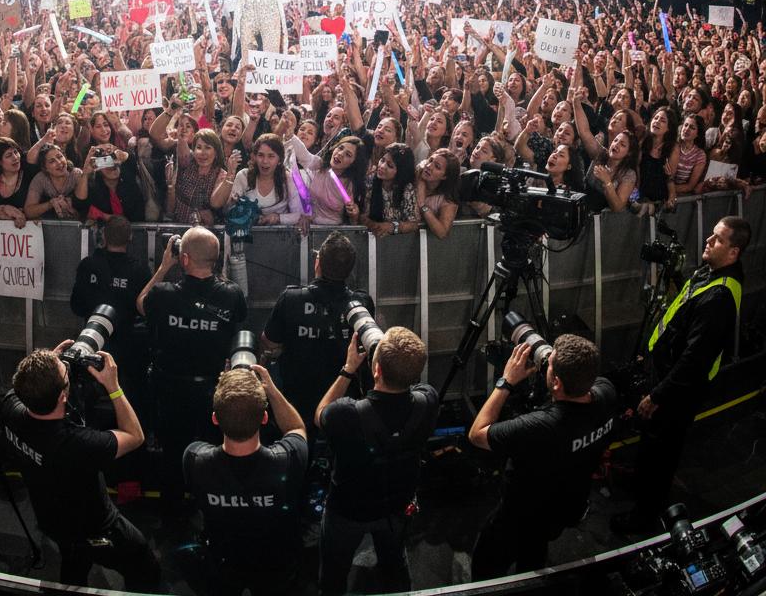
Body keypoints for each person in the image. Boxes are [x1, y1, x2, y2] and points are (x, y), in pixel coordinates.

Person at [612, 216, 747, 536]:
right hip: (666, 375)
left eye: (718, 239)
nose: (708, 241)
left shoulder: (720, 297)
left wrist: (656, 396)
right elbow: (682, 318)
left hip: (678, 392)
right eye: (711, 235)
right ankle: (639, 485)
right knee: (651, 444)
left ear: (733, 252)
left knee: (661, 454)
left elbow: (694, 360)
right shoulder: (710, 273)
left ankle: (643, 517)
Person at [0, 346, 160, 590]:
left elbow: (26, 385)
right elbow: (134, 436)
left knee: (73, 563)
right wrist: (113, 387)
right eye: (65, 373)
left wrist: (50, 365)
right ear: (62, 396)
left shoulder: (11, 409)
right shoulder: (77, 444)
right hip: (96, 528)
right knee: (143, 562)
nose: (67, 369)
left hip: (51, 519)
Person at [468, 334, 616, 578]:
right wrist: (557, 363)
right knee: (534, 554)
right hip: (564, 508)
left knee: (487, 562)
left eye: (550, 365)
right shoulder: (606, 394)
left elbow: (477, 434)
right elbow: (585, 377)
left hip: (519, 515)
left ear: (556, 382)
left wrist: (506, 381)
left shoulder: (540, 427)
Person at [315, 326, 439, 596]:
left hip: (347, 511)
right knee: (394, 564)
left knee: (334, 573)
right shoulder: (428, 401)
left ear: (376, 369)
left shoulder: (345, 414)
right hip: (396, 506)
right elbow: (413, 385)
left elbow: (320, 414)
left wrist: (348, 369)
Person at [137, 226, 247, 505]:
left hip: (170, 390)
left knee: (172, 455)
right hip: (211, 390)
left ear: (183, 259)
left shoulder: (163, 294)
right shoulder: (232, 294)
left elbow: (140, 304)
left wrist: (164, 267)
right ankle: (210, 506)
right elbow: (237, 318)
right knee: (213, 452)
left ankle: (172, 513)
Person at [182, 365, 307, 595]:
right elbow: (296, 427)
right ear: (265, 418)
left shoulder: (194, 458)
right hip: (274, 563)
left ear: (215, 419)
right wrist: (271, 390)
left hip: (222, 560)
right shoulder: (287, 460)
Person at [260, 230, 374, 432]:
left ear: (317, 263)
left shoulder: (291, 298)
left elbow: (269, 342)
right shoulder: (361, 303)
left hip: (297, 398)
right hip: (343, 402)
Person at [70, 216, 148, 394]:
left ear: (104, 236)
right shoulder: (139, 270)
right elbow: (145, 311)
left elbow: (76, 306)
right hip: (127, 347)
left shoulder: (88, 265)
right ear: (130, 237)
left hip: (92, 345)